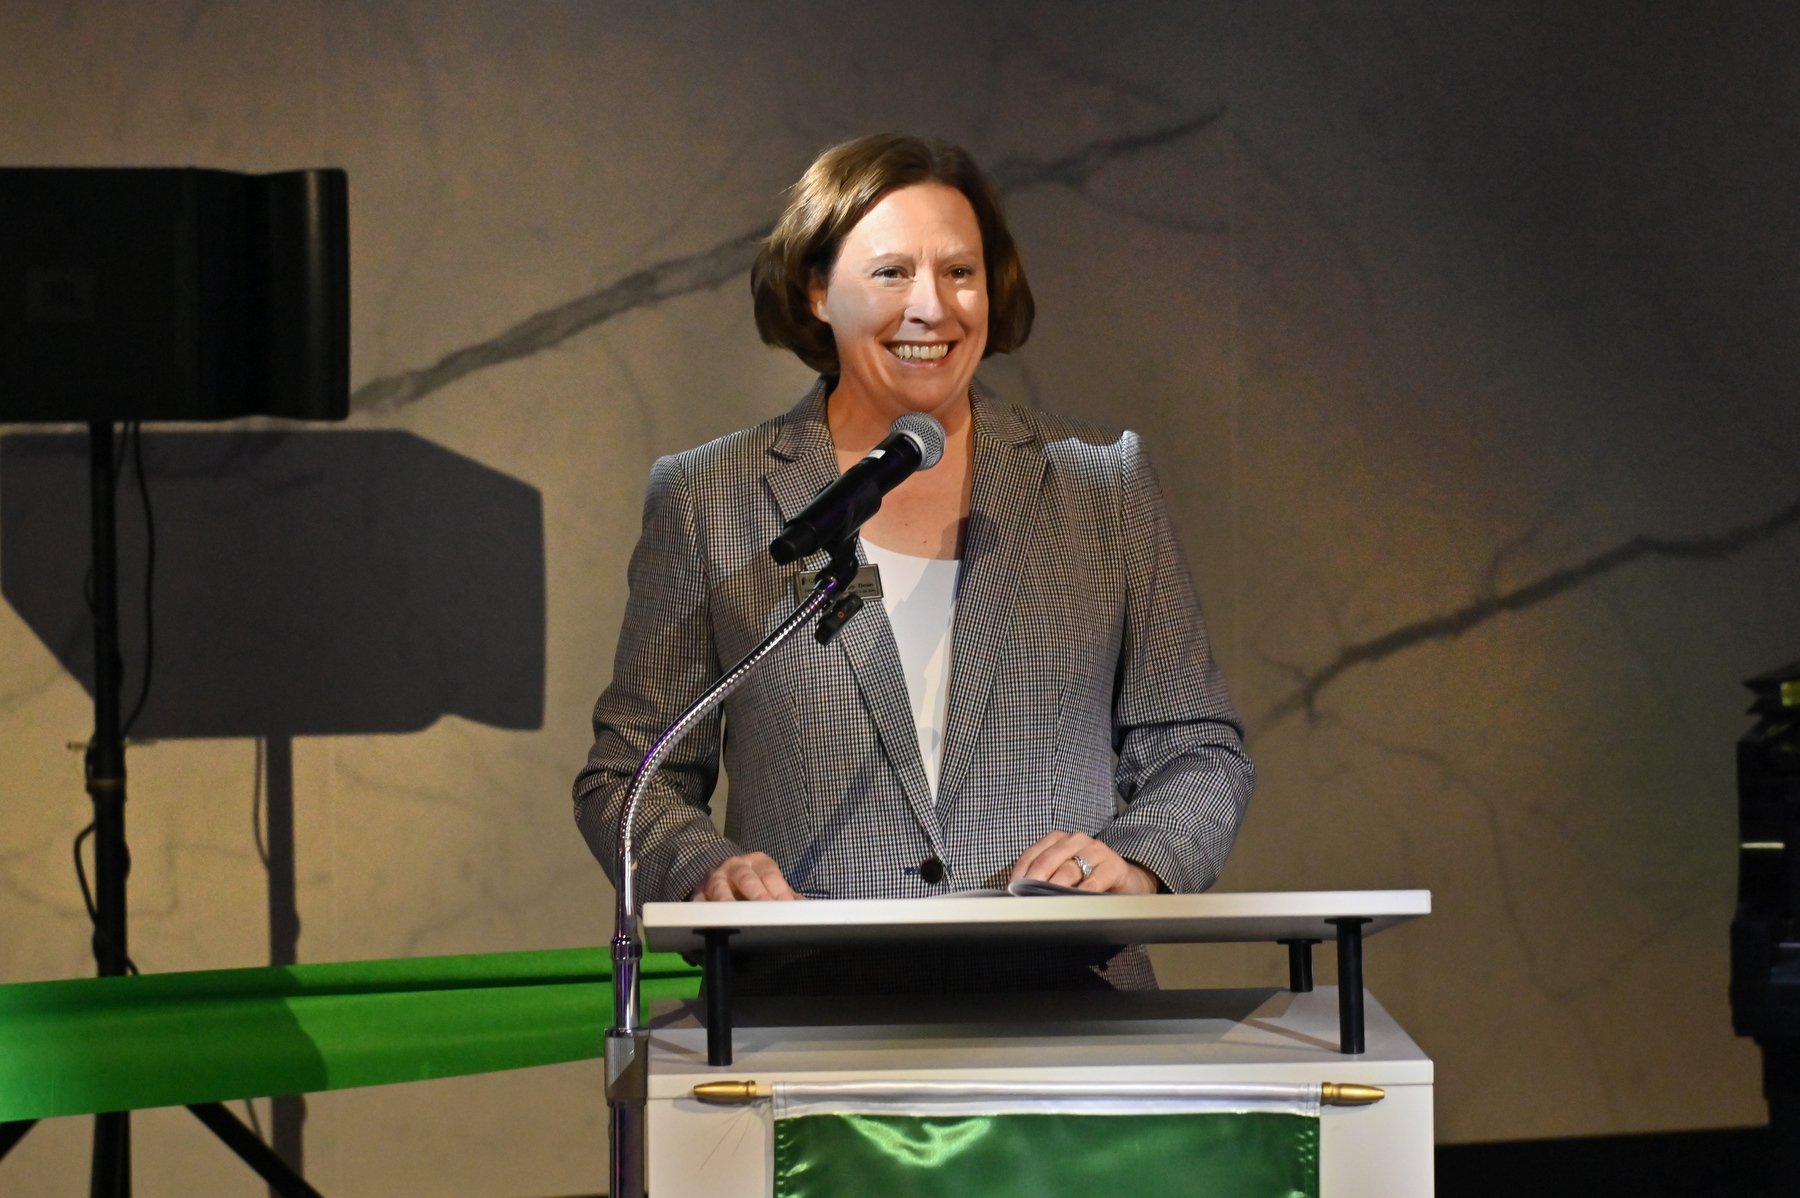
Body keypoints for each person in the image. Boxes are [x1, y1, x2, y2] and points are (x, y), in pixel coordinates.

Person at [574, 133, 1253, 993]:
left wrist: (1139, 863)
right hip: (803, 1005)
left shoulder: (1099, 483)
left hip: (1067, 999)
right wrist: (707, 872)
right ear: (817, 290)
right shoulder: (709, 497)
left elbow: (1198, 747)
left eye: (960, 272)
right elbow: (631, 774)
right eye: (892, 273)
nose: (932, 307)